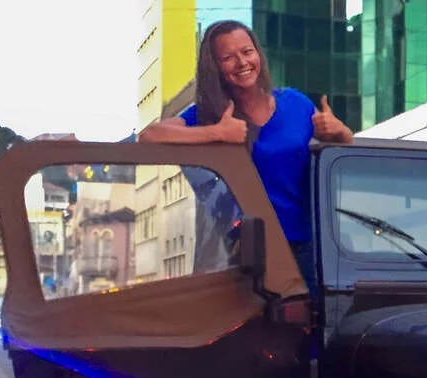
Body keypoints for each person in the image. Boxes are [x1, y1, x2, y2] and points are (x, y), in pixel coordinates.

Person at [139, 19, 354, 291]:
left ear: (258, 54)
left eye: (247, 51)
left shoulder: (295, 103)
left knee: (307, 331)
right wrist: (216, 132)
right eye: (228, 57)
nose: (241, 62)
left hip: (306, 251)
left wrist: (341, 131)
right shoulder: (206, 114)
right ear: (215, 67)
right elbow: (148, 136)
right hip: (243, 256)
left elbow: (342, 153)